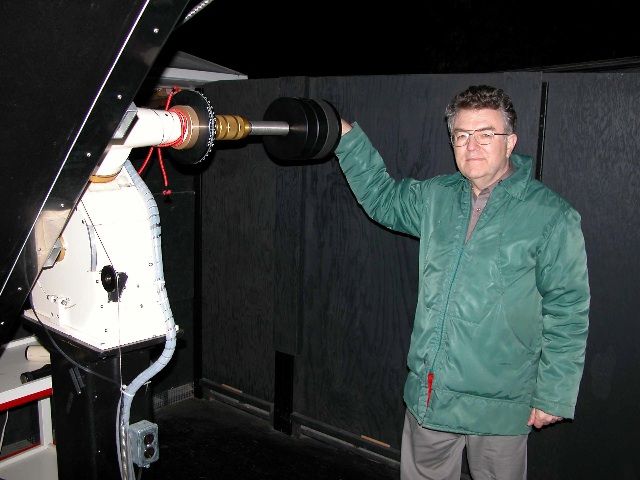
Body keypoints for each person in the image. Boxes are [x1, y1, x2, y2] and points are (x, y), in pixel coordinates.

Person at [333, 85, 590, 480]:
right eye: (462, 135)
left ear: (511, 142)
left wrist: (554, 393)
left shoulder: (552, 217)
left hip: (501, 405)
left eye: (487, 134)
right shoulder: (436, 196)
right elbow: (382, 198)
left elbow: (568, 310)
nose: (473, 145)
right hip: (432, 397)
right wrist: (343, 134)